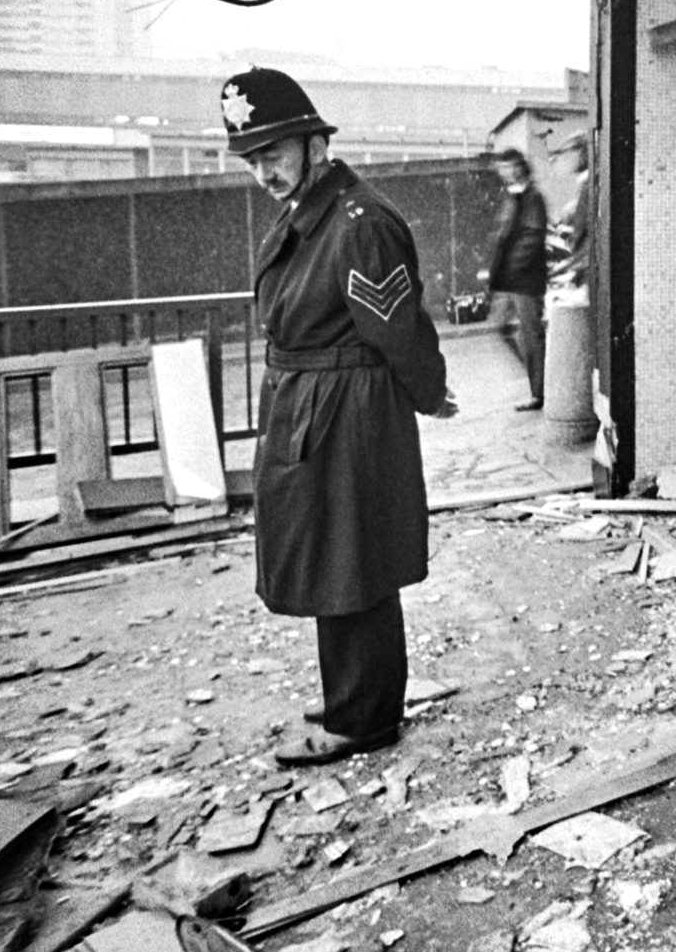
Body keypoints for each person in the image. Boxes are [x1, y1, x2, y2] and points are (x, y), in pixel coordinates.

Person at [220, 66, 457, 767]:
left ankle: (365, 715)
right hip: (312, 406)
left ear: (313, 142)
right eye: (253, 159)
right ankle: (354, 693)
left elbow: (396, 326)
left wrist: (429, 390)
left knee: (353, 560)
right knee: (332, 557)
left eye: (273, 153)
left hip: (347, 412)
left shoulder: (358, 223)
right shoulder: (309, 214)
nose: (263, 170)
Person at [483, 148, 548, 411]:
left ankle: (540, 390)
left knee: (531, 334)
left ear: (518, 166)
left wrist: (511, 269)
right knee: (500, 326)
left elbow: (532, 236)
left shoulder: (532, 197)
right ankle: (539, 374)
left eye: (505, 166)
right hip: (509, 279)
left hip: (523, 279)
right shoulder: (514, 196)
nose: (501, 172)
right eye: (500, 167)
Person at [549, 129, 593, 287]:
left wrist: (566, 267)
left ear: (583, 151)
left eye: (566, 151)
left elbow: (588, 238)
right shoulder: (584, 185)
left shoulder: (590, 185)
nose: (563, 158)